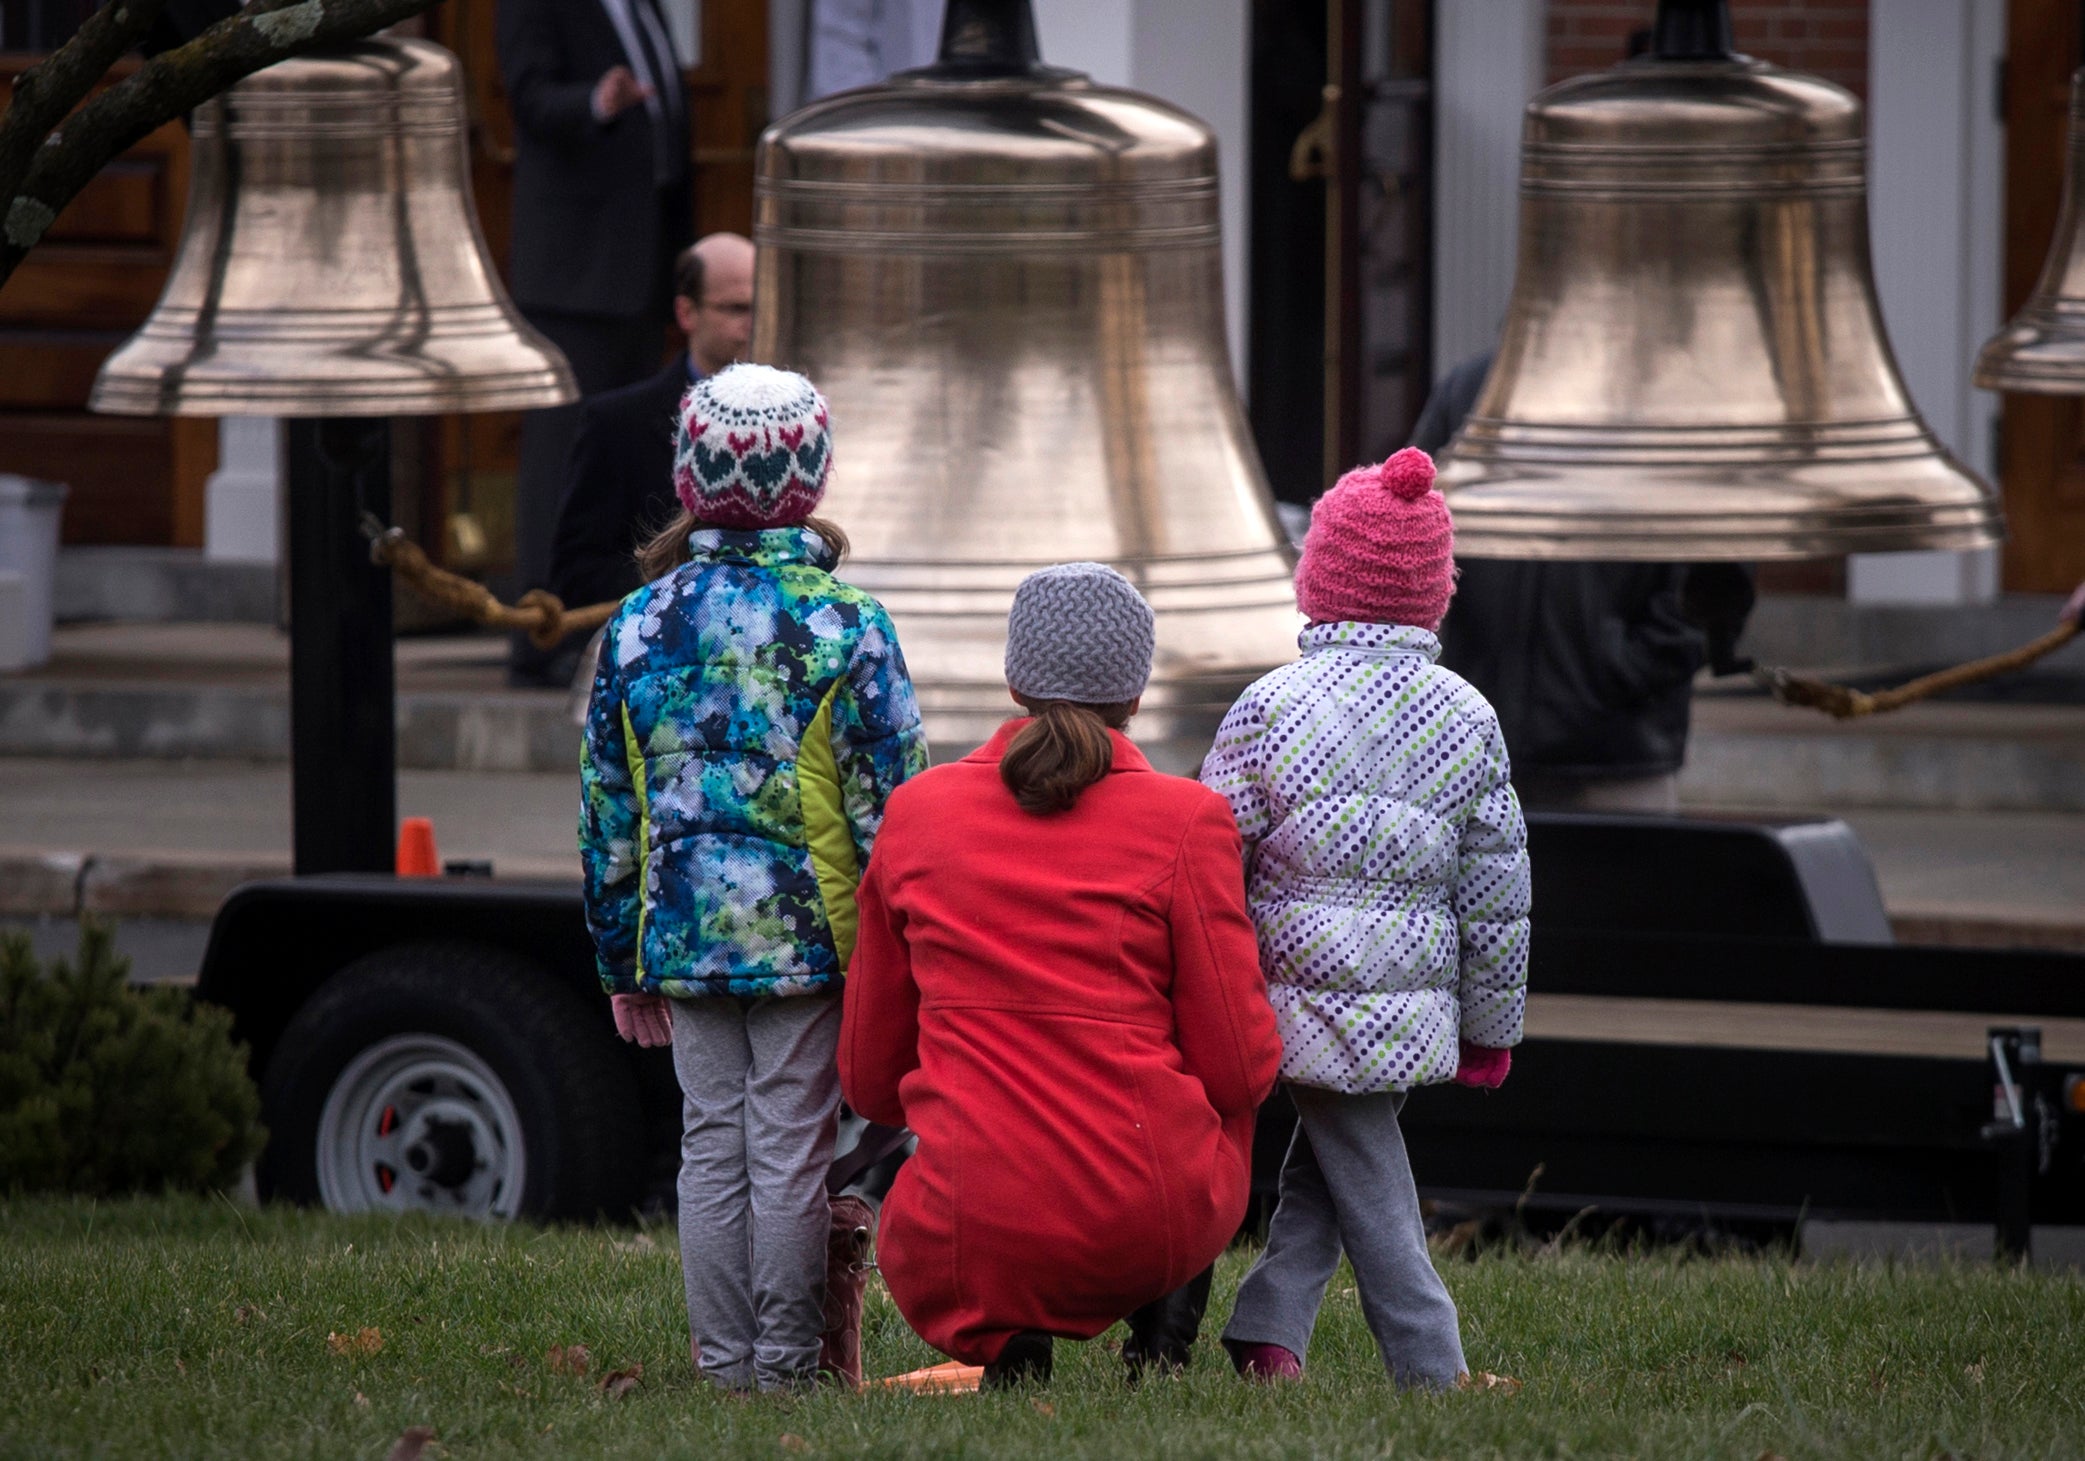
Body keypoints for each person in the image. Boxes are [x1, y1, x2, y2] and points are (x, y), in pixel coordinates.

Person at [840, 563, 1283, 1389]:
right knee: (1230, 1086)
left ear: (1013, 681)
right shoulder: (1189, 819)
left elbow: (869, 1079)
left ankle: (1011, 1337)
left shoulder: (917, 812)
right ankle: (1160, 1337)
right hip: (1143, 1219)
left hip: (960, 1237)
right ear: (1136, 694)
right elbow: (1238, 1069)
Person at [580, 364, 928, 1393]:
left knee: (709, 1147)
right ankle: (784, 1367)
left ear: (690, 477)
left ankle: (724, 1365)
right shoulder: (848, 624)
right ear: (809, 476)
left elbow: (608, 812)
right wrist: (904, 955)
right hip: (809, 940)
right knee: (788, 1150)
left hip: (681, 934)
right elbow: (894, 813)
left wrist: (620, 961)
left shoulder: (637, 624)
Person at [1201, 447, 1530, 1389]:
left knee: (1337, 1152)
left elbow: (1209, 855)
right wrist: (1489, 1025)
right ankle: (1432, 1365)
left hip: (1286, 988)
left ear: (1317, 577)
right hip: (1408, 995)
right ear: (1433, 591)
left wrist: (1204, 988)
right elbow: (1496, 890)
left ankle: (1268, 1327)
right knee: (1371, 1169)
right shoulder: (1466, 715)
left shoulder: (1268, 705)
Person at [1414, 351, 1755, 812]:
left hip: (1616, 760)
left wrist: (1626, 668)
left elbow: (1717, 568)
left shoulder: (1679, 403)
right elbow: (1408, 531)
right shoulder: (1471, 389)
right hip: (1473, 755)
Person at [498, 0, 693, 685]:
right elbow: (529, 96)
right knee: (561, 462)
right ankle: (542, 635)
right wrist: (594, 101)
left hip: (642, 263)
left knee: (623, 460)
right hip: (575, 272)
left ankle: (609, 634)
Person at [548, 233, 756, 619]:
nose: (754, 322)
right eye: (737, 308)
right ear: (686, 312)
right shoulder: (616, 423)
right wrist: (696, 592)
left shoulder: (805, 420)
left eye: (763, 305)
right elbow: (578, 574)